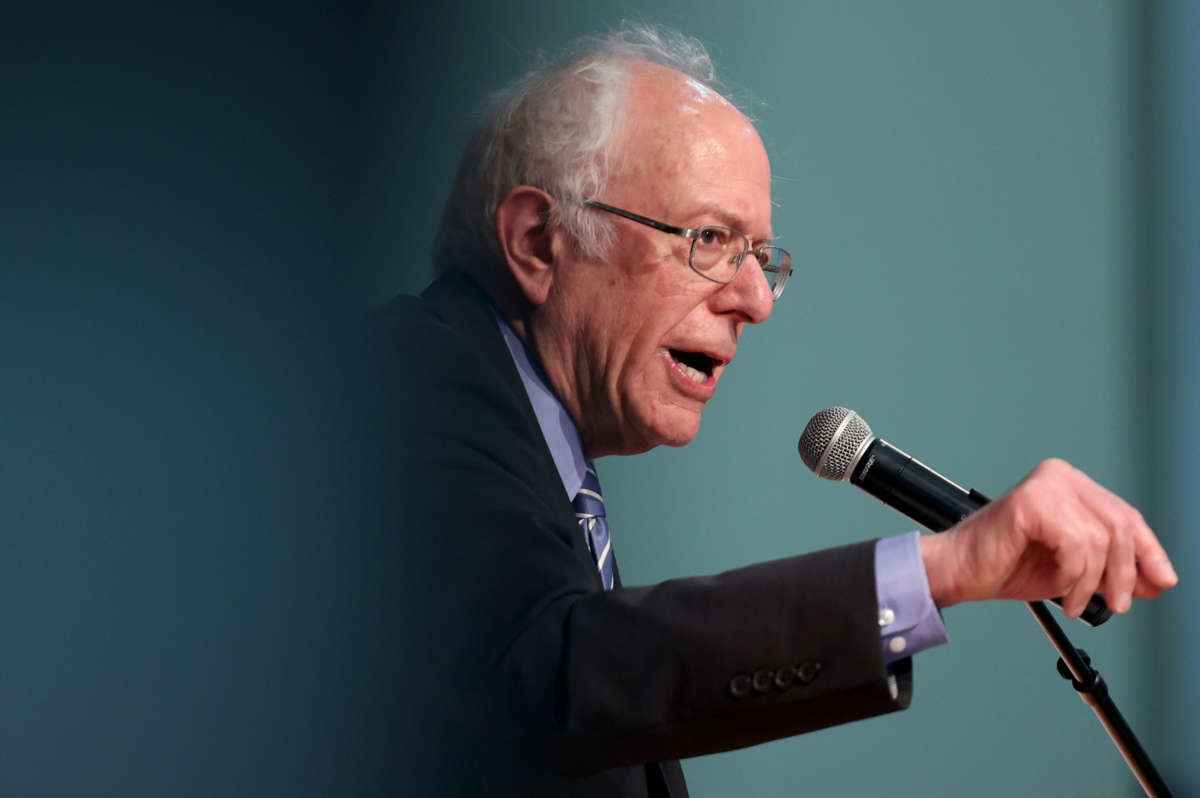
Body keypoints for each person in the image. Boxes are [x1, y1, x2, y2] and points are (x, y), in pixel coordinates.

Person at [359, 24, 1178, 798]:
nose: (755, 300)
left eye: (761, 257)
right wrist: (943, 569)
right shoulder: (393, 390)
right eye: (710, 240)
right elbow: (548, 669)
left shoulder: (539, 459)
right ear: (539, 240)